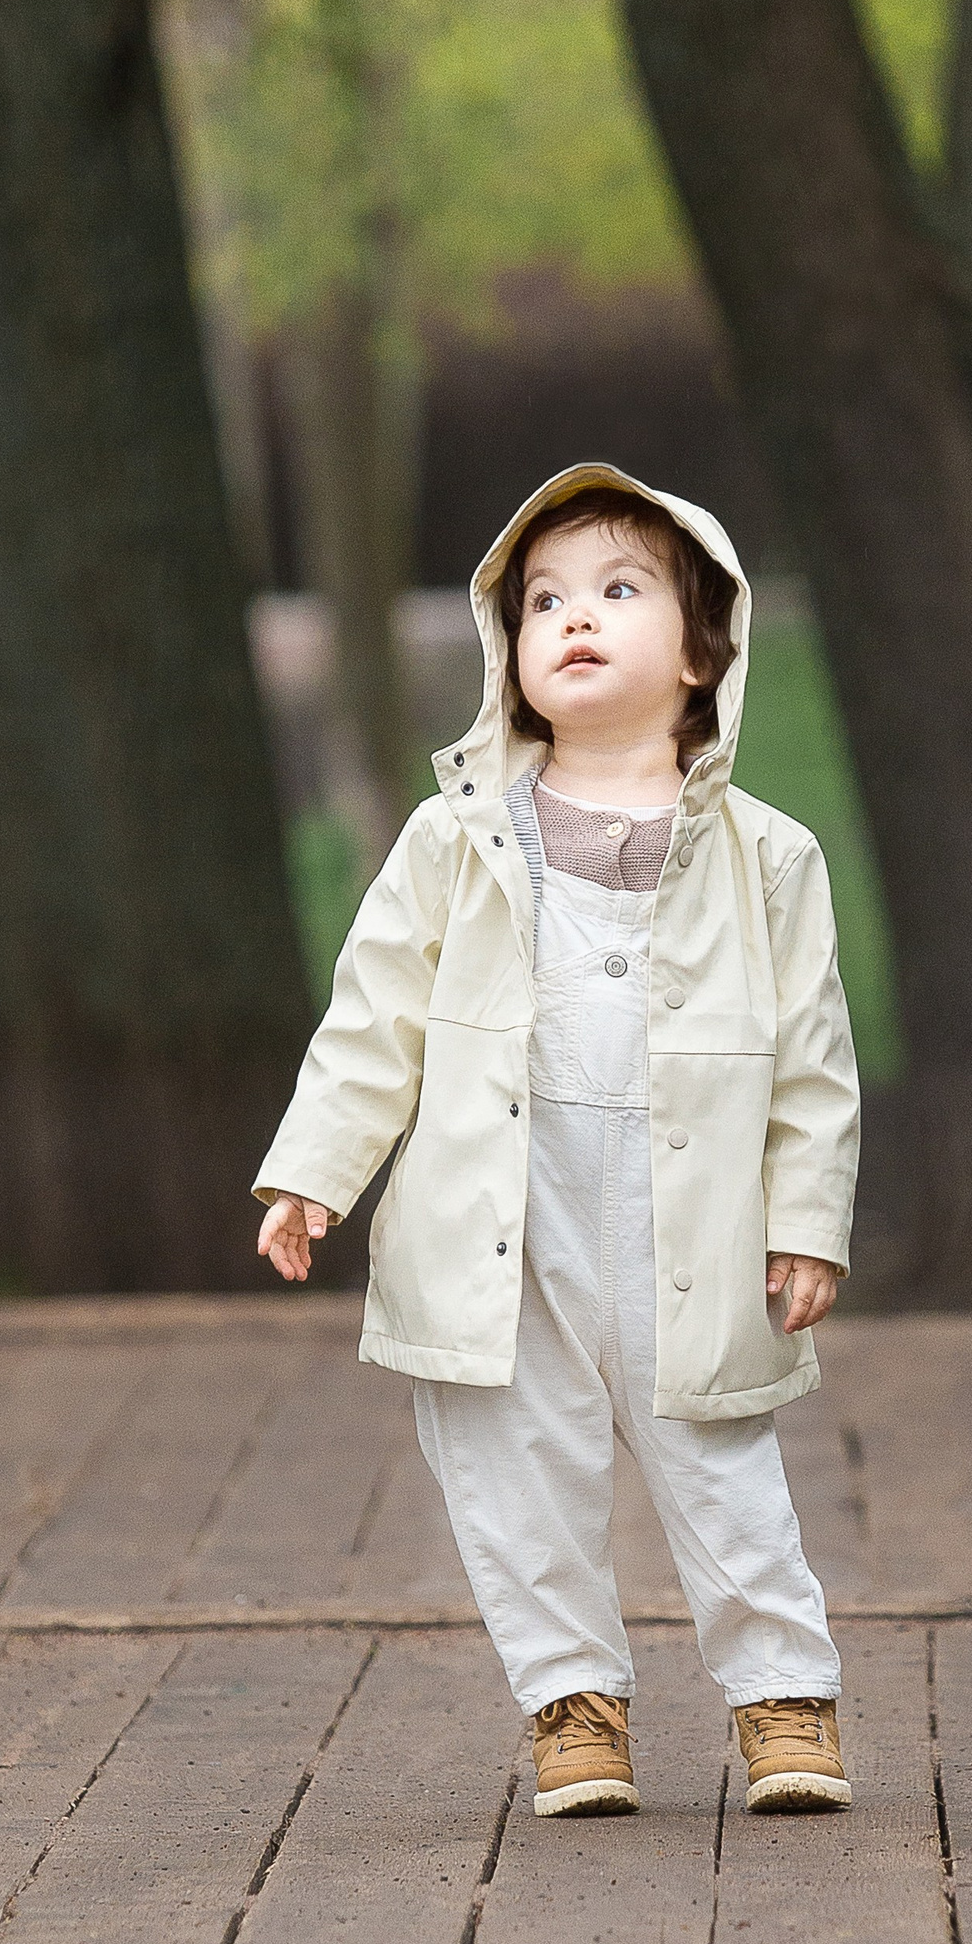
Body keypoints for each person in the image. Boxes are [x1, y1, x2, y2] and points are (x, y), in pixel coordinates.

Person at [252, 466, 860, 1821]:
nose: (574, 617)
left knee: (717, 1454)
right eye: (543, 601)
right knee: (512, 1465)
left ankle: (782, 1693)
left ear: (705, 653)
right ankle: (572, 1703)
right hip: (499, 1216)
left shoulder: (768, 859)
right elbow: (374, 1019)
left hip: (686, 1225)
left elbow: (814, 1060)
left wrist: (805, 1218)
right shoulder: (454, 844)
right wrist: (313, 1168)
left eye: (618, 590)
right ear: (509, 655)